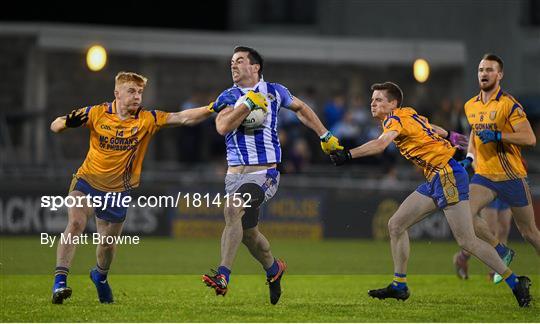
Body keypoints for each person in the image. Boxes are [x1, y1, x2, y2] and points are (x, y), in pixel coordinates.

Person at [330, 81, 531, 307]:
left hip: (446, 174)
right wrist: (461, 141)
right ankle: (399, 285)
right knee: (396, 224)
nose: (372, 104)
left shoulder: (395, 119)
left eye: (378, 100)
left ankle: (515, 282)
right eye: (372, 100)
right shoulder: (408, 114)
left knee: (467, 240)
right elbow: (432, 128)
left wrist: (347, 155)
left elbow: (380, 145)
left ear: (393, 104)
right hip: (437, 176)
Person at [49, 71, 214, 304]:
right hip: (87, 180)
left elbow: (184, 117)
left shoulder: (147, 119)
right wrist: (66, 123)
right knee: (76, 222)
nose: (137, 97)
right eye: (131, 91)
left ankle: (100, 277)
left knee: (106, 244)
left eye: (140, 92)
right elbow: (55, 125)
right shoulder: (96, 113)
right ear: (117, 93)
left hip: (118, 190)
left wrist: (213, 108)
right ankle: (60, 282)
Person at [201, 46, 342, 305]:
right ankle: (273, 268)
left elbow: (301, 108)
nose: (233, 65)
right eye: (232, 62)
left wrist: (325, 135)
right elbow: (222, 126)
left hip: (264, 174)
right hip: (234, 177)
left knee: (232, 210)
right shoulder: (229, 96)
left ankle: (223, 275)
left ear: (255, 67)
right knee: (249, 234)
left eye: (240, 61)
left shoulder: (275, 91)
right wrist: (245, 108)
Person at [452, 53, 540, 284]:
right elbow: (474, 134)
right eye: (481, 69)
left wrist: (499, 135)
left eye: (490, 70)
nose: (484, 73)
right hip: (484, 176)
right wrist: (470, 157)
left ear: (499, 75)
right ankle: (501, 250)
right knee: (463, 214)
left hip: (511, 176)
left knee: (530, 233)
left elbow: (530, 138)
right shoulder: (470, 105)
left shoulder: (509, 105)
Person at [454, 198, 512, 280]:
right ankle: (494, 271)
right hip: (489, 188)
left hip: (505, 188)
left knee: (503, 229)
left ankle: (462, 257)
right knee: (489, 232)